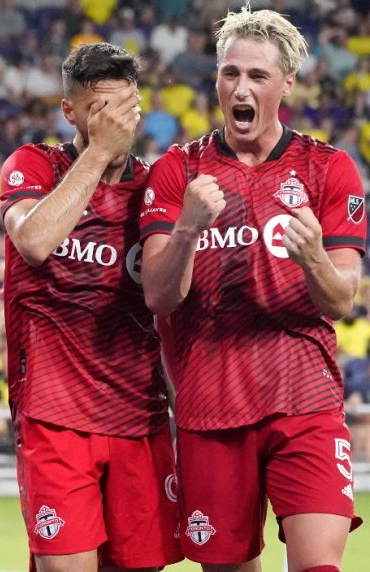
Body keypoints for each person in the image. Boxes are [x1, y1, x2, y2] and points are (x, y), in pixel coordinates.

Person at [140, 8, 365, 571]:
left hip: (303, 402)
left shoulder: (328, 169)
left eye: (257, 76)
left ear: (286, 82)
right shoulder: (177, 170)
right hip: (210, 407)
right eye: (230, 73)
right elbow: (159, 298)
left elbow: (340, 301)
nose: (241, 88)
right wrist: (189, 225)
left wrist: (313, 255)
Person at [0, 43, 180, 571]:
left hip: (141, 419)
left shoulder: (156, 188)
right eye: (102, 111)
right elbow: (33, 241)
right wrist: (97, 153)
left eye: (127, 108)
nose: (119, 123)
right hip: (54, 417)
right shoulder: (34, 164)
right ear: (70, 111)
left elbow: (174, 310)